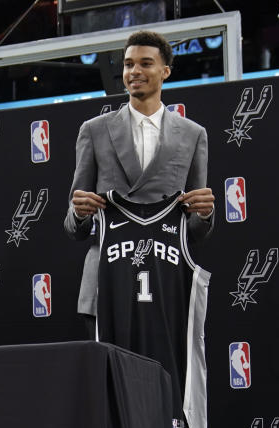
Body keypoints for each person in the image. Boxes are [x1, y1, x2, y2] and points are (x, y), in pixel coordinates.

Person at [64, 30, 215, 339]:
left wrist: (204, 214)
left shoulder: (192, 134)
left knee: (165, 381)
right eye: (129, 64)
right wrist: (79, 214)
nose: (134, 72)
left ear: (166, 71)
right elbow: (72, 225)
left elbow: (195, 232)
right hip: (105, 280)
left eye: (146, 63)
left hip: (166, 279)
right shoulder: (93, 131)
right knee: (107, 383)